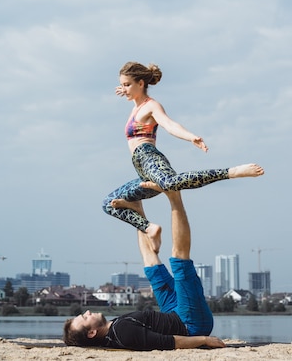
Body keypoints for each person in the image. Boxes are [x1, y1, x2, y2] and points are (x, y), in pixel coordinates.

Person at [102, 61, 264, 250]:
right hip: (143, 173)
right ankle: (149, 228)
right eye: (122, 85)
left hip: (150, 159)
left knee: (170, 183)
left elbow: (169, 124)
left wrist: (191, 137)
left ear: (141, 83)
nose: (124, 89)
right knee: (108, 204)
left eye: (127, 84)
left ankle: (232, 172)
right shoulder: (135, 107)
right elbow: (129, 90)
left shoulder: (151, 106)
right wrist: (126, 90)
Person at [63, 191, 226, 350]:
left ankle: (137, 211)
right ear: (92, 333)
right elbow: (169, 342)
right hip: (190, 323)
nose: (88, 311)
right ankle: (174, 196)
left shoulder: (112, 332)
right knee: (180, 262)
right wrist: (205, 340)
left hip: (172, 313)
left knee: (152, 270)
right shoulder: (123, 333)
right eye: (85, 317)